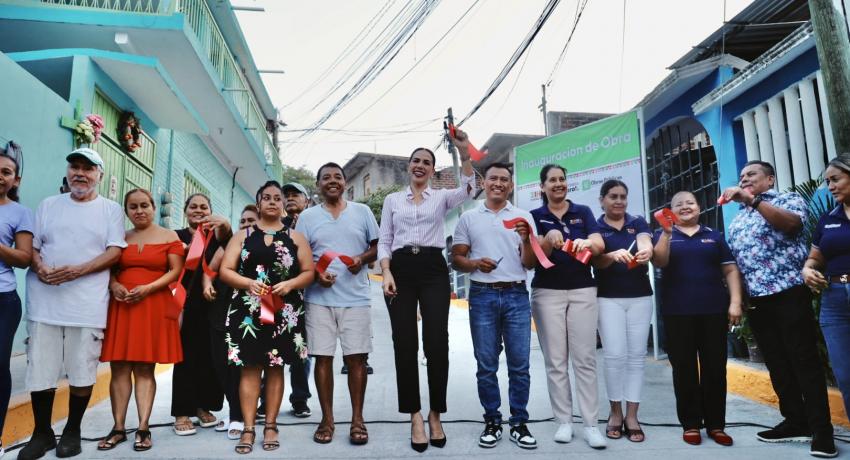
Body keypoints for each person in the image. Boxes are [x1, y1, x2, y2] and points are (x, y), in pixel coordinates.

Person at [727, 158, 843, 458]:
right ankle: (795, 421)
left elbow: (792, 225)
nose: (744, 179)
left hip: (789, 293)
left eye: (751, 174)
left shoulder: (786, 200)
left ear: (770, 179)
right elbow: (737, 263)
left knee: (804, 362)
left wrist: (753, 201)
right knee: (777, 364)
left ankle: (822, 432)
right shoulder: (738, 217)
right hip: (759, 301)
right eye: (741, 176)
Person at [19, 148, 125, 459]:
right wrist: (40, 267)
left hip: (87, 303)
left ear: (99, 176)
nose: (80, 173)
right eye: (75, 167)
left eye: (88, 169)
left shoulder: (110, 209)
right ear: (67, 171)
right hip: (44, 301)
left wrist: (78, 270)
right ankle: (42, 434)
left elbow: (115, 251)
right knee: (40, 368)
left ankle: (72, 430)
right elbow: (33, 247)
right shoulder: (48, 205)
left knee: (82, 368)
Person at [378, 129, 474, 452]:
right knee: (404, 343)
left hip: (433, 269)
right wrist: (387, 272)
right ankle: (415, 415)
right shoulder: (392, 200)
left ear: (433, 170)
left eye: (427, 162)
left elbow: (471, 189)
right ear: (409, 167)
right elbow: (385, 240)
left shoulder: (442, 197)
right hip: (400, 270)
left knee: (436, 343)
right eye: (416, 161)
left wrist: (463, 151)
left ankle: (435, 414)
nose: (420, 165)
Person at [219, 180, 314, 454]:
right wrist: (248, 283)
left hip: (284, 310)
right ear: (258, 203)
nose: (273, 201)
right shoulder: (243, 236)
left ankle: (271, 425)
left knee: (276, 367)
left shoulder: (296, 237)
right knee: (249, 368)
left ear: (284, 204)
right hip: (248, 309)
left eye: (277, 197)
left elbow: (308, 271)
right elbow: (226, 269)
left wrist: (291, 284)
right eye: (267, 197)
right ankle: (249, 428)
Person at [451, 162, 537, 449]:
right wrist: (475, 263)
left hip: (516, 295)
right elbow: (456, 259)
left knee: (520, 365)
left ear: (510, 186)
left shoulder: (524, 217)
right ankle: (492, 420)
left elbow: (529, 263)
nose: (498, 183)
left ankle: (519, 423)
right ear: (484, 183)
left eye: (504, 179)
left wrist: (526, 239)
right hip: (482, 296)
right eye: (492, 179)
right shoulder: (469, 218)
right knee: (486, 365)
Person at [297, 163, 379, 445]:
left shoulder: (363, 212)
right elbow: (300, 256)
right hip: (318, 300)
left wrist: (362, 258)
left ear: (345, 183)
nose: (332, 181)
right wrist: (317, 275)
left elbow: (378, 246)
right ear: (318, 185)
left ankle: (358, 419)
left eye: (337, 177)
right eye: (326, 178)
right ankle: (327, 419)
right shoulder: (307, 218)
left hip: (356, 299)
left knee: (357, 358)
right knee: (322, 358)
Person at [652, 190, 742, 447]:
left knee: (715, 368)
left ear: (699, 207)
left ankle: (716, 425)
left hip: (713, 311)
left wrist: (735, 302)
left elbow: (730, 269)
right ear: (670, 210)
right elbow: (660, 262)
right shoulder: (663, 236)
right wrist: (667, 233)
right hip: (677, 313)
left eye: (689, 202)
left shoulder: (714, 236)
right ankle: (690, 423)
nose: (685, 207)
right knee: (684, 370)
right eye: (678, 204)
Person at [97, 189, 185, 452]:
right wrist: (113, 285)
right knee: (120, 366)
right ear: (127, 211)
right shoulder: (119, 237)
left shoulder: (170, 237)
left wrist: (148, 288)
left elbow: (176, 270)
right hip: (122, 305)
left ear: (153, 207)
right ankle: (118, 428)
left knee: (145, 367)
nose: (139, 211)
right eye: (133, 207)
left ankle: (144, 427)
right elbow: (110, 269)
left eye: (144, 205)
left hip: (152, 304)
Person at [529, 164, 607, 449]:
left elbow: (598, 243)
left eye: (562, 179)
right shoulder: (535, 216)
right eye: (552, 180)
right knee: (556, 361)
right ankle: (564, 421)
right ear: (543, 187)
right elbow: (533, 255)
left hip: (583, 289)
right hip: (547, 292)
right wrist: (547, 241)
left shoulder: (583, 212)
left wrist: (588, 241)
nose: (558, 184)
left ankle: (591, 425)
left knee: (585, 359)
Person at [592, 179, 653, 443]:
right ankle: (615, 412)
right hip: (607, 299)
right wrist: (611, 255)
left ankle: (632, 415)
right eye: (613, 196)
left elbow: (645, 241)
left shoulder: (637, 222)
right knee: (614, 356)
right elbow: (596, 260)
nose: (619, 201)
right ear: (602, 200)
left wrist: (647, 249)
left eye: (623, 197)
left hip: (640, 298)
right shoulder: (596, 227)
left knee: (636, 357)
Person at [171, 193, 231, 435]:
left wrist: (224, 224)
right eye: (193, 206)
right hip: (184, 303)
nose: (198, 210)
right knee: (184, 358)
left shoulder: (216, 237)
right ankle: (182, 412)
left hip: (213, 303)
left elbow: (228, 238)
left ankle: (203, 407)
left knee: (210, 357)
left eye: (204, 207)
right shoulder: (176, 236)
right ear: (185, 210)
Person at [203, 205, 258, 439]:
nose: (246, 225)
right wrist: (207, 284)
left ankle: (238, 416)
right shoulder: (228, 245)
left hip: (249, 314)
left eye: (251, 221)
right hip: (220, 311)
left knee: (241, 367)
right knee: (221, 364)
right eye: (243, 221)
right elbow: (210, 270)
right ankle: (234, 411)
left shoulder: (265, 248)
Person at [0, 146, 32, 459]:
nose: (0, 176)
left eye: (6, 172)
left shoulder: (20, 213)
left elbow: (24, 258)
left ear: (15, 179)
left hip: (3, 300)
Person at [279, 182, 313, 417]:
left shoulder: (313, 224)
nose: (290, 198)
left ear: (307, 200)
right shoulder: (275, 226)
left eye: (295, 195)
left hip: (307, 296)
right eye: (287, 195)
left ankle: (300, 399)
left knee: (301, 350)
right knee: (270, 349)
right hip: (278, 295)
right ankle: (264, 399)